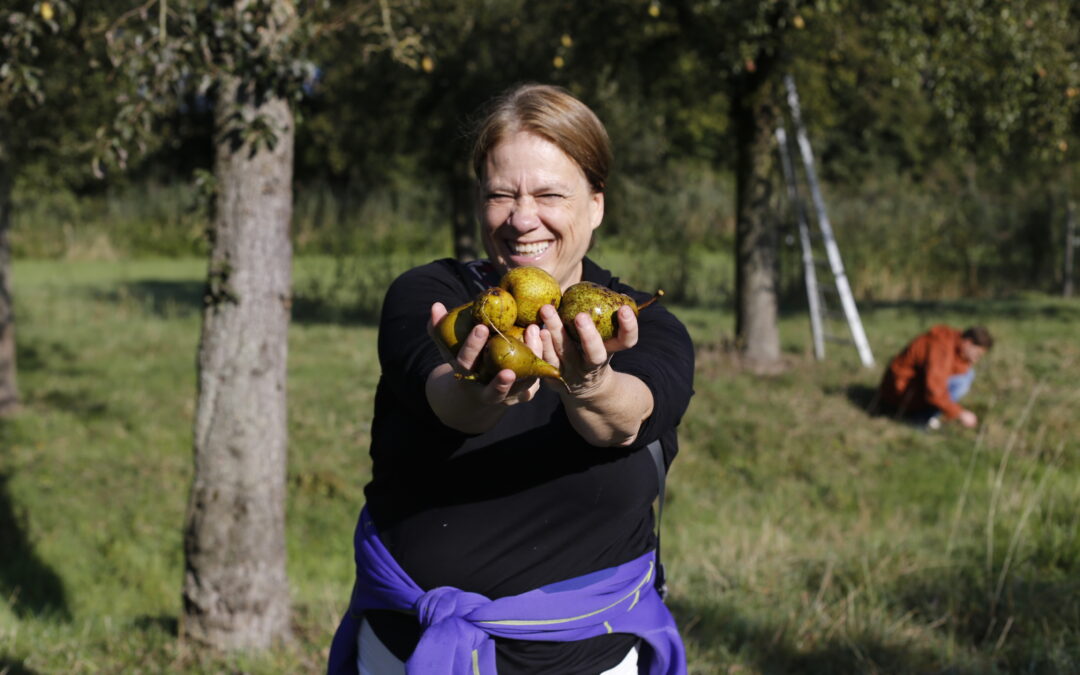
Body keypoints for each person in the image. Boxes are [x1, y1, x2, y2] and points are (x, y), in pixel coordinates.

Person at [327, 83, 695, 675]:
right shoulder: (434, 301)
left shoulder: (637, 325)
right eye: (501, 194)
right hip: (410, 654)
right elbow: (448, 404)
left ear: (596, 204)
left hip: (589, 661)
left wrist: (592, 383)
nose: (523, 219)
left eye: (550, 193)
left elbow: (623, 421)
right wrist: (479, 387)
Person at [877, 324, 993, 429]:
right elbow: (934, 390)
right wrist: (960, 413)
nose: (975, 360)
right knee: (962, 381)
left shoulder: (953, 340)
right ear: (968, 342)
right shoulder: (941, 348)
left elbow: (954, 368)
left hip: (912, 387)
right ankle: (920, 419)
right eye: (977, 354)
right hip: (899, 393)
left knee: (968, 374)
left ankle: (925, 414)